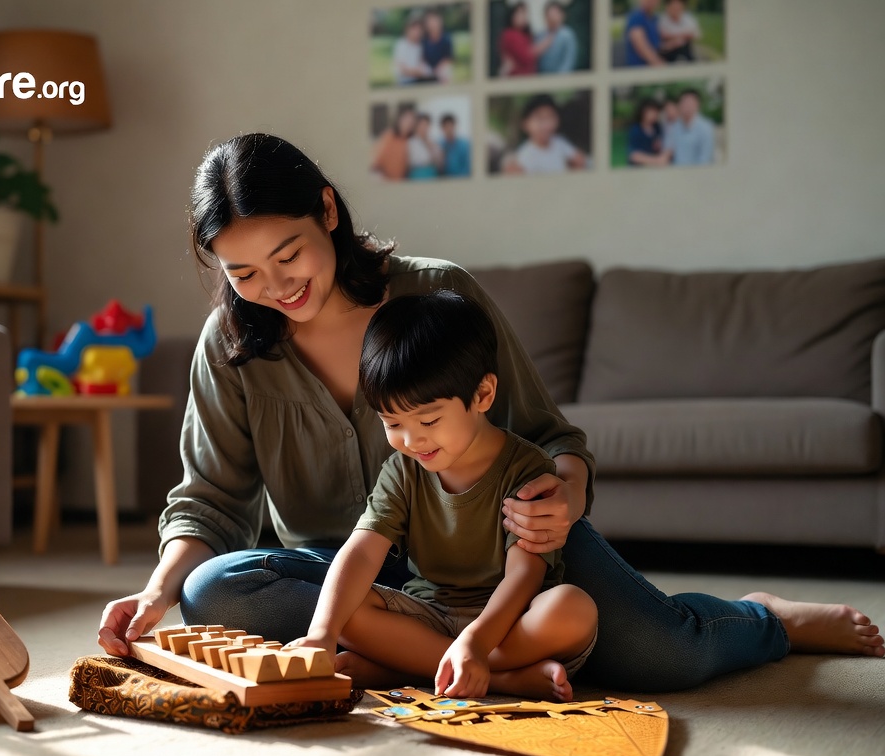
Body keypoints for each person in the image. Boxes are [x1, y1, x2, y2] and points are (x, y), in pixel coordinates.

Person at [97, 132, 884, 694]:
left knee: (664, 660)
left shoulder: (439, 295)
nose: (275, 285)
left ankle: (765, 617)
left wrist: (560, 500)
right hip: (352, 577)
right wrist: (157, 590)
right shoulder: (230, 346)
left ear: (328, 212)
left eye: (289, 254)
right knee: (215, 591)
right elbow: (209, 498)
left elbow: (552, 438)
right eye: (242, 272)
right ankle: (497, 667)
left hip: (493, 559)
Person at [286, 291, 598, 701]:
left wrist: (476, 642)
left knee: (573, 610)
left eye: (429, 420)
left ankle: (419, 667)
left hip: (508, 624)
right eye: (392, 422)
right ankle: (505, 679)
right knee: (344, 611)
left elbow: (525, 576)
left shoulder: (526, 469)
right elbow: (361, 552)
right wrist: (321, 634)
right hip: (428, 615)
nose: (412, 440)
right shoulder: (402, 472)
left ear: (483, 396)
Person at [503, 93, 586, 175]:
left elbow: (580, 160)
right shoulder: (523, 158)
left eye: (550, 117)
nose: (546, 125)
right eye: (539, 118)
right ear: (525, 124)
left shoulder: (559, 142)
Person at [664, 88, 715, 166]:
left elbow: (705, 160)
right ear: (679, 105)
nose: (687, 106)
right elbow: (667, 151)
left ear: (698, 105)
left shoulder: (706, 128)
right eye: (684, 103)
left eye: (691, 103)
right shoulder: (673, 127)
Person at [371, 106, 416, 180]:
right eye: (406, 120)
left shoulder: (409, 140)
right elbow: (377, 159)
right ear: (399, 119)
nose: (408, 123)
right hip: (385, 179)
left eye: (411, 121)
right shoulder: (389, 136)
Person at [626, 97, 671, 167]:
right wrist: (657, 160)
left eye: (657, 111)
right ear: (643, 112)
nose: (655, 114)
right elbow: (634, 155)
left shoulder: (657, 127)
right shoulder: (636, 130)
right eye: (652, 111)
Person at [536, 1, 579, 74]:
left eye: (555, 14)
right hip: (542, 80)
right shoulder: (540, 36)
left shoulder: (567, 35)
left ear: (562, 15)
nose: (552, 17)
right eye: (549, 14)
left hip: (562, 80)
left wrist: (559, 80)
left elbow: (569, 61)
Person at [498, 3, 538, 76]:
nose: (522, 17)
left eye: (524, 13)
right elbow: (526, 57)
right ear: (512, 15)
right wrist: (547, 42)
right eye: (519, 13)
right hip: (515, 79)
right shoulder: (509, 34)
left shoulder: (527, 35)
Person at [622, 0, 665, 67]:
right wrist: (662, 66)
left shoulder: (654, 19)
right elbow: (642, 48)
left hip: (652, 69)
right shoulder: (636, 18)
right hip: (640, 71)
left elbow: (660, 44)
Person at [393, 13, 431, 85]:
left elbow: (425, 68)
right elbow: (401, 69)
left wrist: (415, 71)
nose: (417, 32)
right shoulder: (401, 45)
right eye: (414, 29)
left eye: (419, 29)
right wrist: (415, 72)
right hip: (404, 83)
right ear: (407, 29)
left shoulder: (422, 45)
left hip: (420, 82)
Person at [422, 9, 455, 83]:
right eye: (430, 21)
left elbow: (449, 58)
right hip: (429, 69)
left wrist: (437, 70)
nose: (433, 24)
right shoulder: (424, 40)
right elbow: (423, 57)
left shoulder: (447, 38)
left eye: (435, 21)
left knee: (445, 72)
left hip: (442, 68)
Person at [406, 113, 442, 180]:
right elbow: (408, 163)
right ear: (416, 126)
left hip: (432, 176)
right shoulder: (410, 143)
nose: (424, 128)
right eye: (421, 125)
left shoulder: (433, 142)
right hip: (416, 176)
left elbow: (439, 163)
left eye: (426, 125)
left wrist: (430, 147)